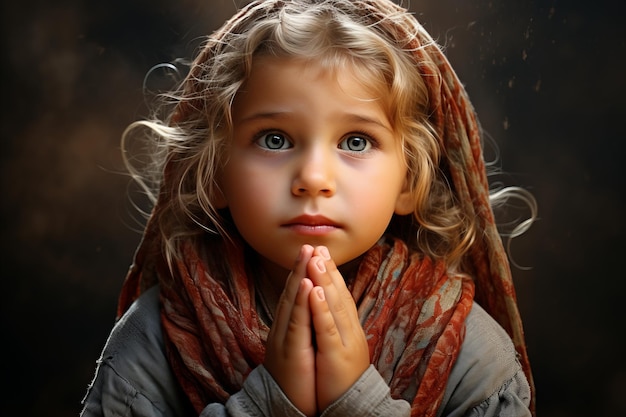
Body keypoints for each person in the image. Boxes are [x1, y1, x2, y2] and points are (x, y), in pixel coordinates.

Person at [81, 0, 537, 416]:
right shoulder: (155, 341)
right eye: (274, 139)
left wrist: (358, 399)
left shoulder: (467, 352)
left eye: (356, 142)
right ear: (215, 171)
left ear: (410, 180)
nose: (314, 178)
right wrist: (270, 403)